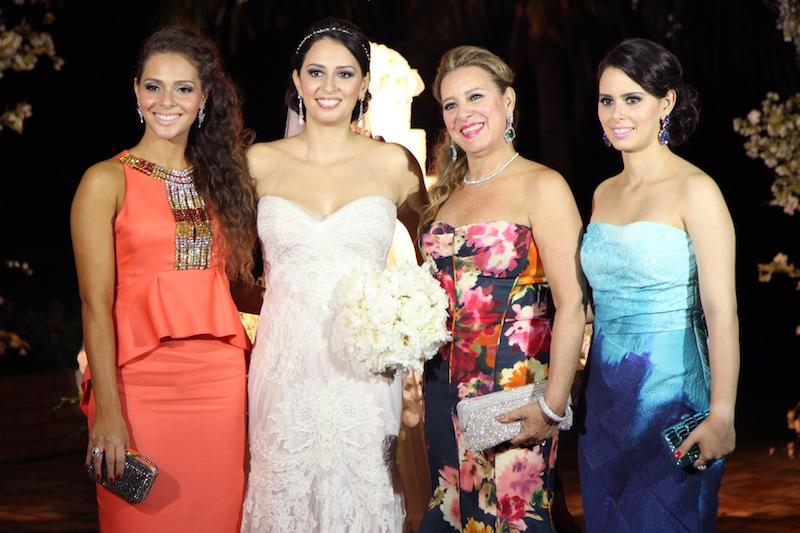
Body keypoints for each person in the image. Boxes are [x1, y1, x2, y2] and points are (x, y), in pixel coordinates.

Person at [240, 17, 428, 532]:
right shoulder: (258, 164)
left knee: (364, 494)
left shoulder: (394, 165)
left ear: (364, 84)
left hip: (364, 370)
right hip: (284, 363)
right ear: (297, 80)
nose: (329, 86)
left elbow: (435, 262)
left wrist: (403, 324)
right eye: (316, 72)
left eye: (344, 74)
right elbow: (227, 267)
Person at [70, 26, 256, 532]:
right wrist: (107, 411)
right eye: (153, 86)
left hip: (219, 384)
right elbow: (94, 305)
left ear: (204, 98)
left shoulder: (225, 180)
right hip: (136, 389)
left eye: (183, 88)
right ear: (136, 91)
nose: (166, 101)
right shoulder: (104, 180)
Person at [418, 45, 586, 533]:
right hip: (441, 392)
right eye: (451, 104)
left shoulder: (542, 185)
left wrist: (553, 404)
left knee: (514, 518)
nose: (463, 114)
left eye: (476, 97)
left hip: (513, 394)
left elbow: (573, 303)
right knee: (449, 514)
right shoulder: (444, 198)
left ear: (507, 102)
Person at [578, 37, 738, 531]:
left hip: (672, 397)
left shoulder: (696, 189)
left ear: (665, 103)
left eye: (633, 99)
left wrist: (722, 414)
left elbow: (722, 313)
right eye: (607, 100)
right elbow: (594, 302)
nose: (617, 114)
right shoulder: (603, 193)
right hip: (604, 402)